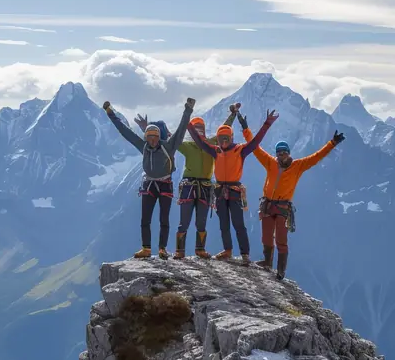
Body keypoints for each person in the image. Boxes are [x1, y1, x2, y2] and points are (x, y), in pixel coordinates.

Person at [236, 110, 345, 280]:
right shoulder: (270, 162)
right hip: (268, 205)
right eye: (279, 153)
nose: (281, 155)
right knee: (266, 237)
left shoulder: (298, 166)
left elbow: (316, 157)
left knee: (281, 239)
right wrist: (245, 128)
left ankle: (280, 270)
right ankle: (267, 262)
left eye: (284, 152)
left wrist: (332, 143)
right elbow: (255, 147)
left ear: (288, 152)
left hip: (282, 207)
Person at [134, 107, 239, 259]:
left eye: (200, 129)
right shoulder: (189, 145)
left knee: (201, 221)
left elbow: (224, 129)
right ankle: (181, 251)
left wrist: (233, 115)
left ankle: (199, 249)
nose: (199, 132)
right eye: (197, 129)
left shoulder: (210, 143)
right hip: (192, 186)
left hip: (201, 187)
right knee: (184, 221)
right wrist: (147, 128)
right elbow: (167, 138)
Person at [102, 98, 195, 258]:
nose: (152, 140)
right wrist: (110, 113)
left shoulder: (167, 147)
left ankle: (161, 248)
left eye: (155, 137)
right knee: (145, 218)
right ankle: (147, 248)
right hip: (150, 184)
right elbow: (125, 132)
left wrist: (188, 109)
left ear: (159, 137)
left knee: (163, 219)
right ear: (146, 137)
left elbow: (180, 131)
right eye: (150, 137)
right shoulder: (144, 146)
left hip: (163, 184)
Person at [186, 108, 279, 263]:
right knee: (224, 223)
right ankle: (228, 250)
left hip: (233, 191)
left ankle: (245, 254)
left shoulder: (240, 150)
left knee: (238, 224)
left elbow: (255, 142)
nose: (223, 142)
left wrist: (267, 124)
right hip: (220, 191)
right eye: (221, 138)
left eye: (226, 138)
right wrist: (187, 122)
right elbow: (200, 142)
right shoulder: (216, 150)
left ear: (231, 137)